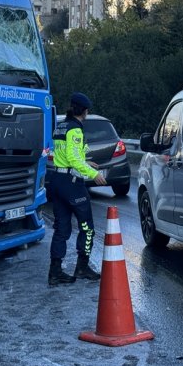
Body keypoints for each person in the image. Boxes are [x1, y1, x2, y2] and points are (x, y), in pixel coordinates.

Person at [47, 92, 107, 286]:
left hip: (56, 179)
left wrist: (86, 161)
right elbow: (72, 159)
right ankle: (82, 267)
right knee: (87, 227)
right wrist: (93, 174)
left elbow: (64, 154)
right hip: (71, 183)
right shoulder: (75, 129)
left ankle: (55, 272)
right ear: (85, 111)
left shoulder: (61, 126)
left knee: (61, 228)